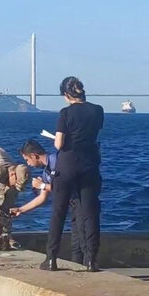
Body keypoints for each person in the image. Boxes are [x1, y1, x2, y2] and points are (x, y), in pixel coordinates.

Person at [41, 77, 104, 272]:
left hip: (67, 165)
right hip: (89, 164)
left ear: (67, 95)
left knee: (59, 212)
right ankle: (91, 260)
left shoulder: (65, 113)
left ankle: (51, 259)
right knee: (90, 213)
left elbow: (59, 144)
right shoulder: (98, 110)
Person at [11, 139, 87, 264]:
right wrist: (20, 209)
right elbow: (42, 198)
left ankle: (88, 265)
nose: (28, 164)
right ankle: (78, 267)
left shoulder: (59, 161)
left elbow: (67, 187)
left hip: (81, 201)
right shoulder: (46, 172)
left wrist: (42, 186)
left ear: (33, 156)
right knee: (76, 241)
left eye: (27, 160)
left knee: (82, 237)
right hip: (72, 204)